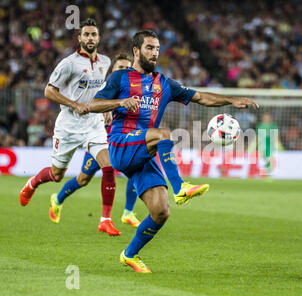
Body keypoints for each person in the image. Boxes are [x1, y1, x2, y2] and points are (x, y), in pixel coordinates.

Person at [86, 29, 259, 273]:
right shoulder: (120, 78)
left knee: (160, 212)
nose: (154, 53)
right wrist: (120, 102)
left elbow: (201, 97)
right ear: (136, 50)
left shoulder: (164, 83)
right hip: (121, 144)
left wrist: (231, 100)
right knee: (163, 134)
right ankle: (180, 187)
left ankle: (130, 254)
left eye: (157, 49)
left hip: (142, 152)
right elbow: (93, 104)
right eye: (149, 48)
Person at [19, 18, 120, 236]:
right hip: (69, 125)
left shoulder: (105, 61)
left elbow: (101, 89)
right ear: (80, 38)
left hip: (93, 124)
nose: (90, 38)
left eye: (94, 34)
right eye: (87, 35)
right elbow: (49, 91)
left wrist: (106, 109)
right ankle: (32, 183)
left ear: (99, 38)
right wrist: (75, 104)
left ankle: (105, 219)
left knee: (109, 167)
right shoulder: (69, 63)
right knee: (57, 175)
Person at [48, 53, 142, 229]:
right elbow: (91, 104)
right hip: (98, 140)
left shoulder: (133, 89)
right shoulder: (104, 88)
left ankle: (127, 212)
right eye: (120, 67)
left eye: (126, 68)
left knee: (136, 168)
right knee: (83, 179)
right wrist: (106, 109)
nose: (124, 70)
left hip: (118, 142)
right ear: (113, 70)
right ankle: (58, 198)